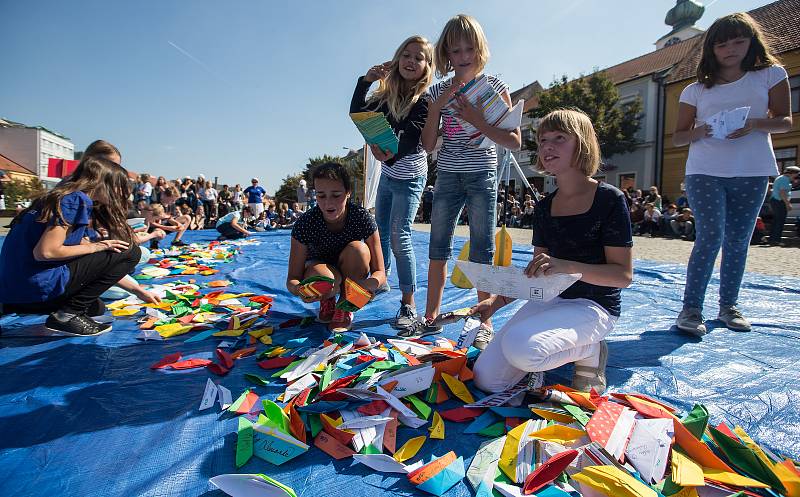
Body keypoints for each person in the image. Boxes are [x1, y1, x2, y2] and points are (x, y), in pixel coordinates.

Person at [471, 109, 632, 394]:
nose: (547, 146)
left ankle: (590, 350)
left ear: (582, 144)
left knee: (521, 348)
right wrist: (495, 303)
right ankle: (564, 350)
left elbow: (622, 276)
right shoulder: (545, 207)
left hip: (595, 307)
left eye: (559, 138)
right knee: (487, 379)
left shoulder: (609, 199)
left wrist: (567, 266)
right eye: (543, 139)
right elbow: (537, 274)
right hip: (551, 299)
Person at [673, 12, 792, 336]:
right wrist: (701, 130)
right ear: (711, 48)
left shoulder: (770, 75)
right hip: (705, 171)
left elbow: (785, 121)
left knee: (739, 241)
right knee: (710, 237)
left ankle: (729, 306)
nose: (730, 49)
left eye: (738, 41)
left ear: (752, 42)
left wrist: (755, 123)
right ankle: (691, 308)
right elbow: (679, 136)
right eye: (722, 43)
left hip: (752, 170)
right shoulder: (695, 90)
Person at [419, 14, 521, 346]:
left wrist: (477, 119)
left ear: (480, 50)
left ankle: (484, 320)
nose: (463, 57)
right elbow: (427, 144)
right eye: (456, 50)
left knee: (482, 248)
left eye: (469, 49)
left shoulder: (495, 87)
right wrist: (436, 105)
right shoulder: (436, 89)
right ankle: (431, 315)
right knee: (438, 245)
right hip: (448, 174)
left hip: (482, 174)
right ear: (446, 54)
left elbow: (514, 141)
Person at [0, 157, 159, 336]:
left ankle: (23, 306)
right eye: (118, 186)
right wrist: (97, 246)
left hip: (14, 289)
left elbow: (93, 262)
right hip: (34, 284)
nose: (120, 194)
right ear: (101, 182)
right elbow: (46, 252)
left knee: (94, 308)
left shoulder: (57, 198)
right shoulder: (76, 199)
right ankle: (67, 316)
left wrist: (136, 290)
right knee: (130, 252)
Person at [350, 35, 433, 332]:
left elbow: (411, 140)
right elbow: (358, 113)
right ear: (397, 60)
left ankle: (408, 302)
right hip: (388, 176)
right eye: (406, 55)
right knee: (380, 234)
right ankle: (380, 281)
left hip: (411, 178)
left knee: (401, 236)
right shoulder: (383, 96)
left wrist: (384, 152)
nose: (411, 61)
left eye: (419, 57)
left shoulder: (423, 101)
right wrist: (366, 80)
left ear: (427, 67)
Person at [286, 162, 386, 332]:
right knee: (327, 280)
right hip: (321, 273)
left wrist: (367, 286)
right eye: (321, 196)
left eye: (336, 195)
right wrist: (301, 290)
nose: (328, 203)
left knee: (359, 249)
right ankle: (328, 300)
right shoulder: (305, 223)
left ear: (348, 193)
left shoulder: (362, 217)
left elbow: (380, 273)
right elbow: (292, 279)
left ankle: (345, 307)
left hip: (351, 272)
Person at [768, 166, 799, 245]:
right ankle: (776, 240)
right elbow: (782, 193)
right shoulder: (785, 180)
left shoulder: (781, 178)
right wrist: (788, 204)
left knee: (776, 221)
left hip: (775, 200)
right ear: (792, 173)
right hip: (779, 201)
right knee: (780, 221)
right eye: (797, 174)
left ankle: (772, 240)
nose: (797, 176)